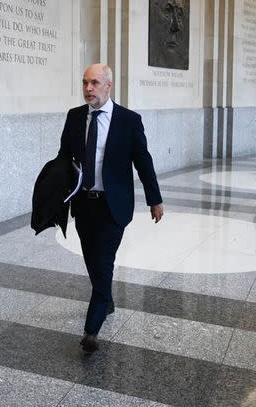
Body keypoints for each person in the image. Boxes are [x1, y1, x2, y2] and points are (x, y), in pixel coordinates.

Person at [57, 63, 164, 353]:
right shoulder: (75, 117)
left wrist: (154, 199)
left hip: (113, 206)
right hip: (84, 204)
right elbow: (64, 158)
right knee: (92, 259)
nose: (88, 89)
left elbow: (143, 160)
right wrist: (56, 194)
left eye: (94, 83)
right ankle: (107, 298)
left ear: (108, 85)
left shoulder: (128, 120)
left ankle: (92, 329)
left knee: (103, 262)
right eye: (84, 83)